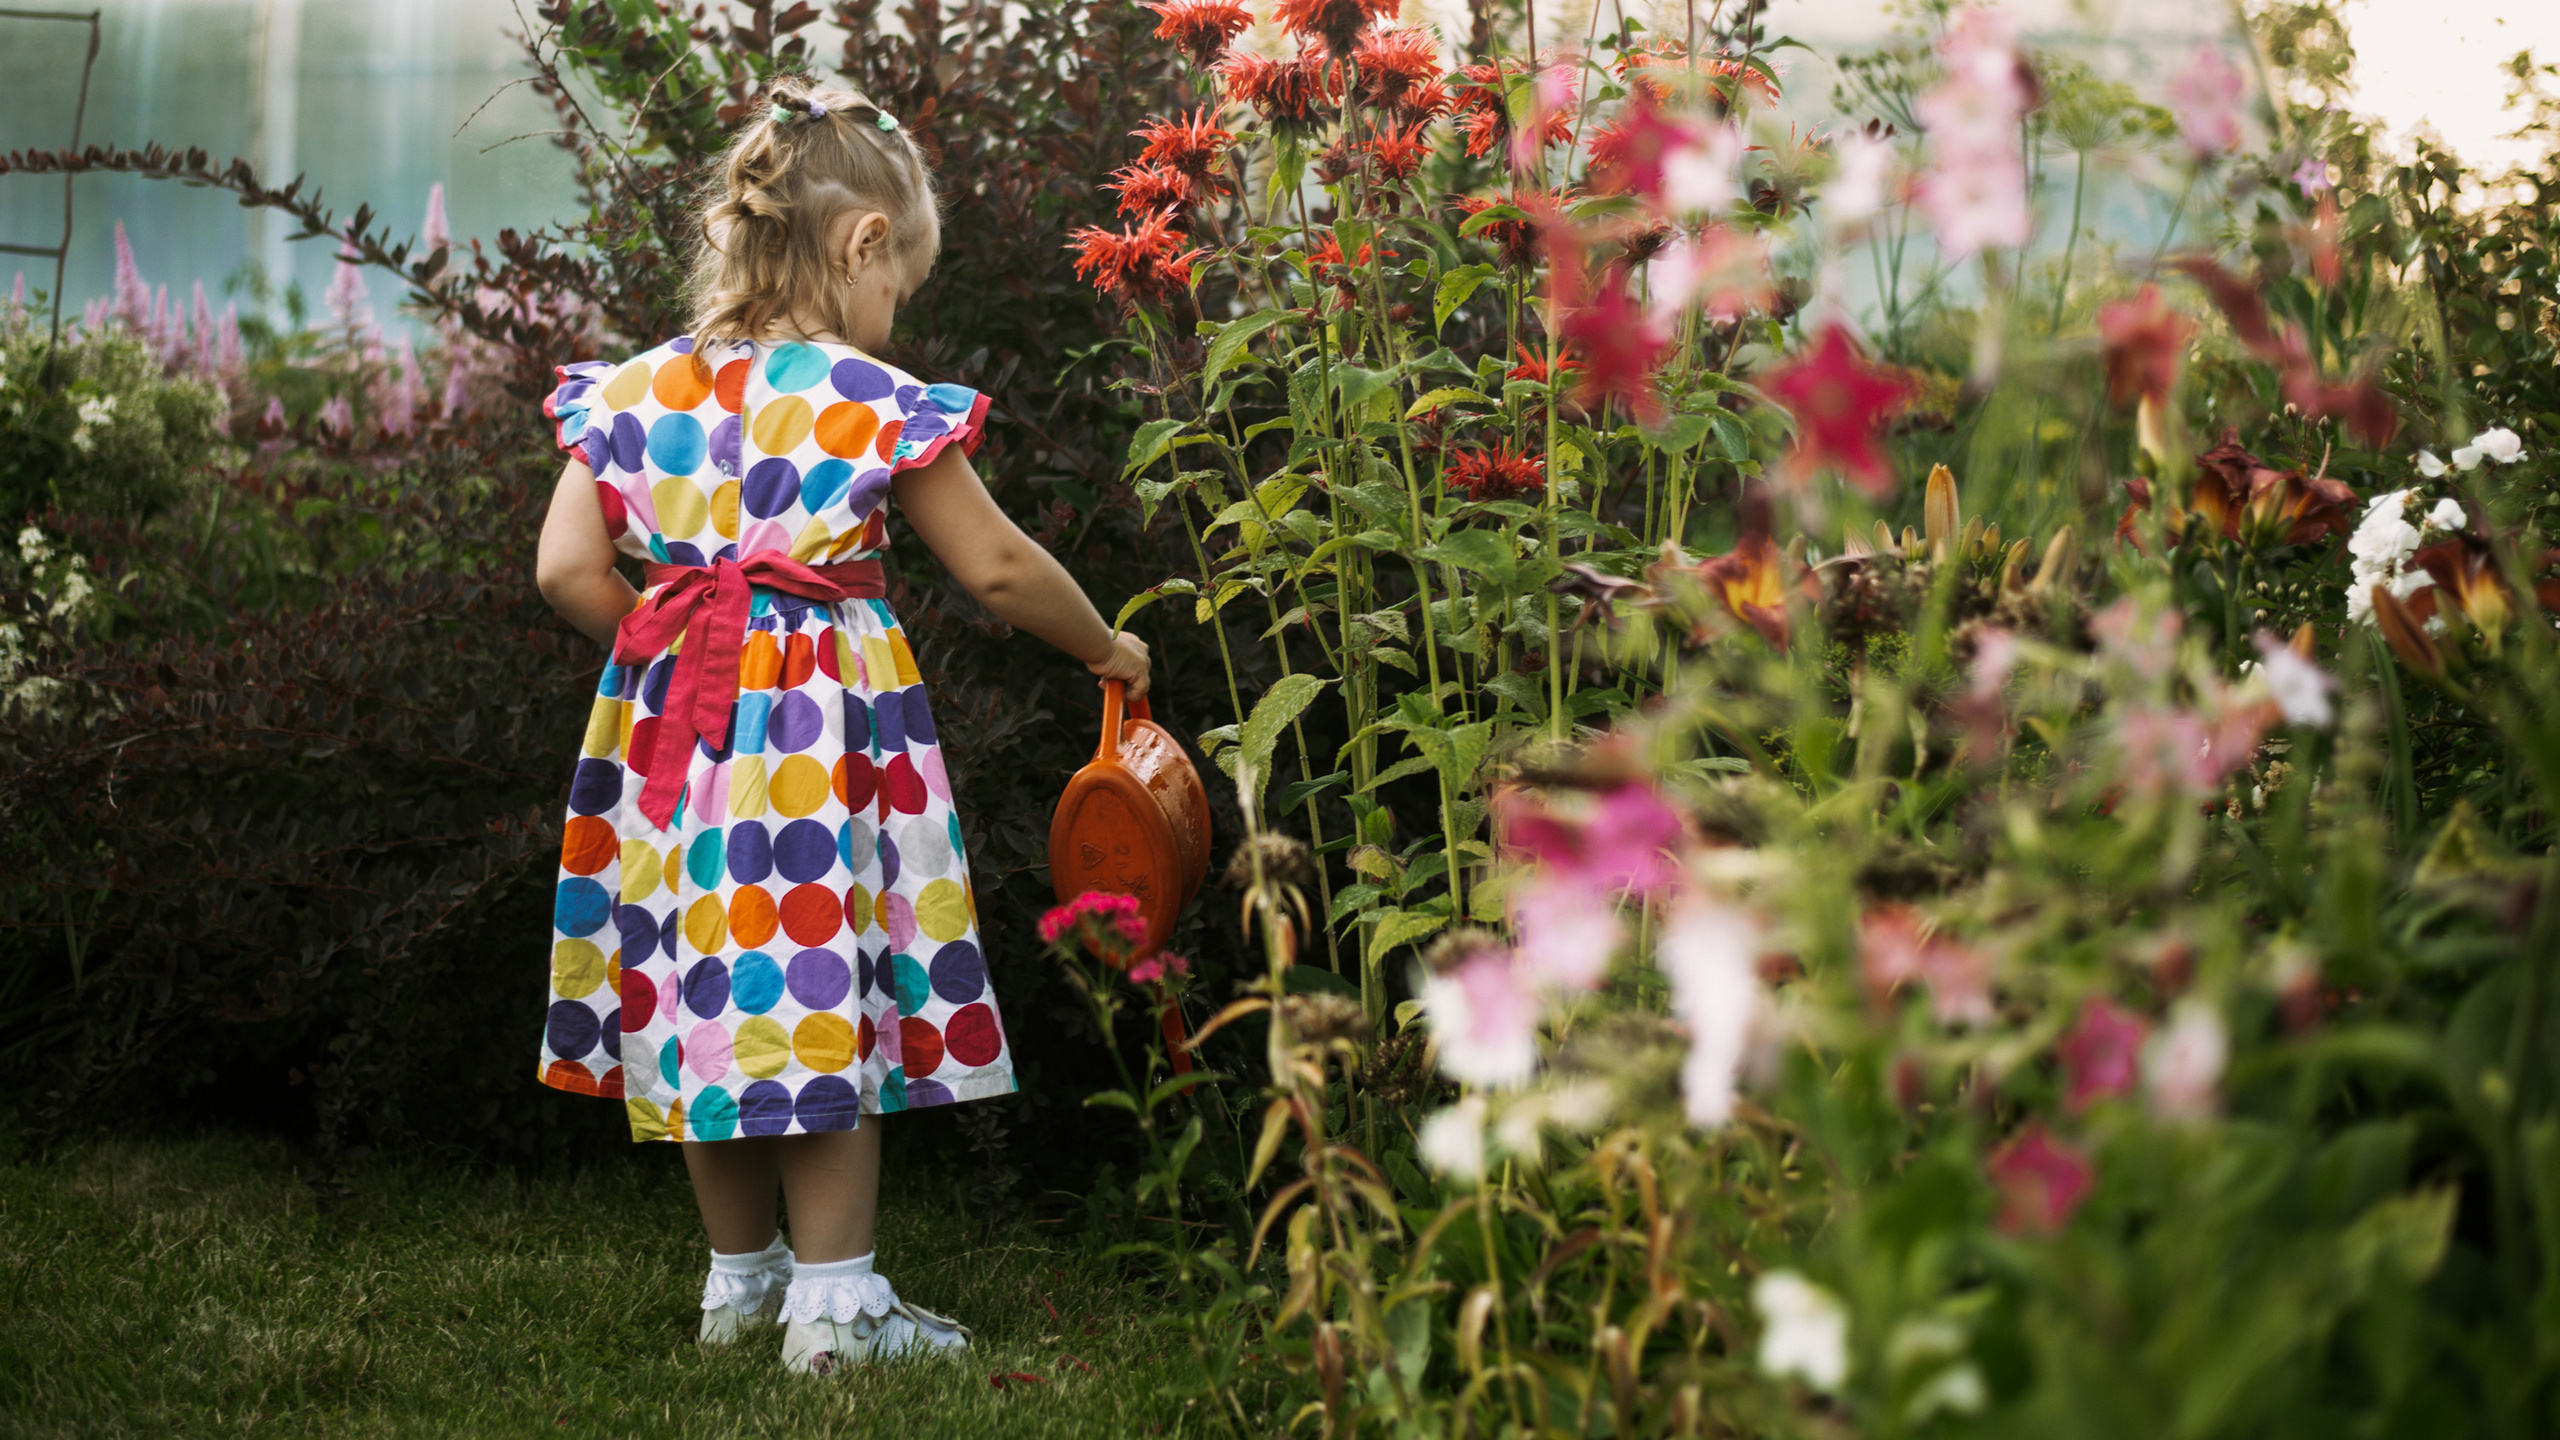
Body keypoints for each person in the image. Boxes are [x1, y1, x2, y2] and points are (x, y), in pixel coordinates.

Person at [529, 74, 1150, 1376]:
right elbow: (995, 569)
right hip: (817, 754)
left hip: (677, 751)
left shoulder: (635, 395)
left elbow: (566, 573)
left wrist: (681, 651)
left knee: (713, 991)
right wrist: (1103, 643)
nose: (893, 317)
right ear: (867, 245)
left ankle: (737, 1285)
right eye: (897, 289)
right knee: (823, 994)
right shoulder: (863, 396)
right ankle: (839, 1308)